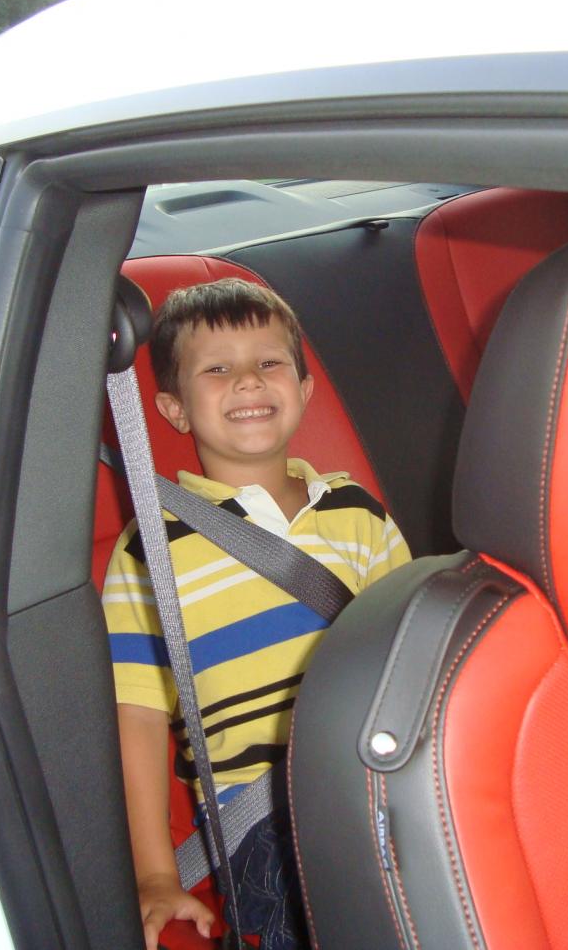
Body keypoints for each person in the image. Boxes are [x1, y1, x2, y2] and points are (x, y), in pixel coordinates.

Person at [104, 279, 411, 950]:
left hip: (377, 769)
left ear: (303, 390)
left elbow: (406, 652)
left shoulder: (357, 512)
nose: (247, 379)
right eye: (216, 368)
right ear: (175, 408)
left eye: (269, 362)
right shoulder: (150, 547)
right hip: (264, 812)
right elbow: (137, 716)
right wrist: (156, 872)